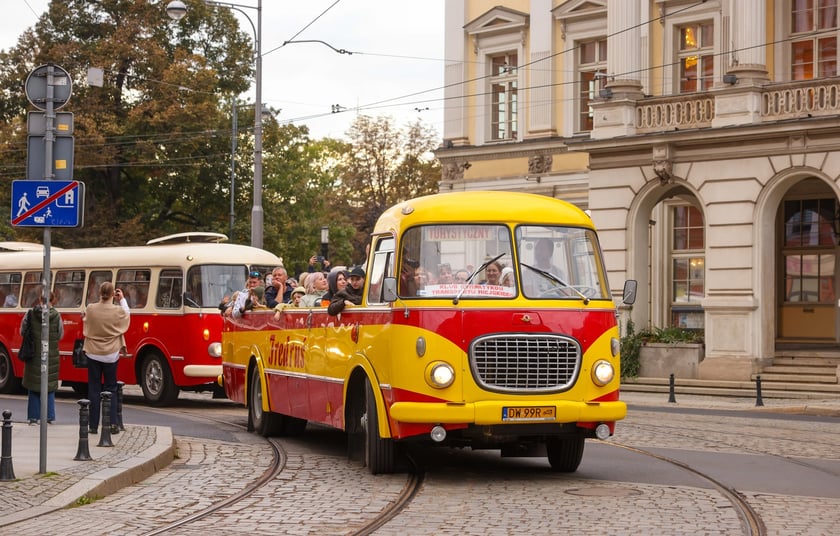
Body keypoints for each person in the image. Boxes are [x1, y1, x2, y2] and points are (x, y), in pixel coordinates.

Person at [83, 282, 130, 435]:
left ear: (99, 293)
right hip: (111, 353)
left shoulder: (91, 308)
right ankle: (113, 423)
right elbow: (127, 314)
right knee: (111, 388)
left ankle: (93, 425)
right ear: (113, 295)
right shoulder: (117, 310)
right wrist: (122, 299)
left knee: (94, 388)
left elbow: (86, 319)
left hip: (93, 352)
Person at [21, 292, 63, 425]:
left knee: (33, 385)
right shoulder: (56, 315)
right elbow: (60, 335)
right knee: (49, 386)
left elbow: (23, 331)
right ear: (53, 300)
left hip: (33, 354)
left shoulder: (30, 313)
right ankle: (49, 416)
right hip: (50, 355)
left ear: (40, 299)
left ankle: (33, 418)